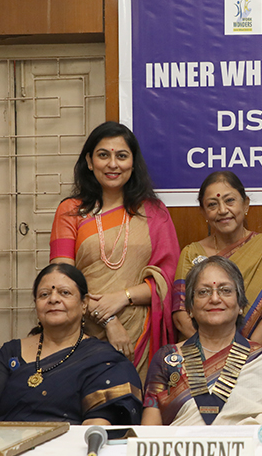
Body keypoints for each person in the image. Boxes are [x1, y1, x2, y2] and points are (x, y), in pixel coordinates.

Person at [50, 121, 178, 379]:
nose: (112, 164)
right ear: (89, 161)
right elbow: (61, 280)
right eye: (103, 155)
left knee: (138, 406)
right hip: (83, 328)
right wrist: (109, 320)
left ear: (133, 162)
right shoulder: (70, 211)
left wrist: (123, 297)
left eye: (121, 156)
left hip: (141, 332)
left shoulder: (154, 213)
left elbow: (167, 278)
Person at [0, 263, 142, 424]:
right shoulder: (11, 352)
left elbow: (97, 427)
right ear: (36, 305)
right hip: (7, 452)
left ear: (84, 304)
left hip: (70, 452)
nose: (53, 299)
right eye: (44, 294)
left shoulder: (103, 360)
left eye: (64, 292)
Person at [142, 257, 262, 427]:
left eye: (225, 290)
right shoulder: (168, 359)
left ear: (240, 304)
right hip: (182, 452)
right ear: (189, 308)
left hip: (249, 451)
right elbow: (149, 432)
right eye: (203, 292)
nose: (214, 299)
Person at [172, 171, 262, 346]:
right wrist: (210, 352)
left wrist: (243, 355)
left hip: (254, 356)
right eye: (212, 205)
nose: (222, 211)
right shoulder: (191, 253)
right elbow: (180, 315)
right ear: (204, 212)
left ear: (245, 204)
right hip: (200, 358)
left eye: (230, 201)